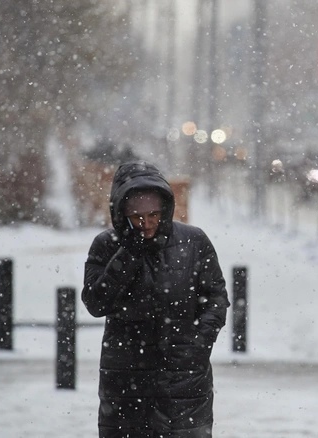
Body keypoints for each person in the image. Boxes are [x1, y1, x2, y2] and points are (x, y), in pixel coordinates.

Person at [82, 160, 230, 438]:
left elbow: (216, 298)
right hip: (125, 381)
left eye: (154, 215)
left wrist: (196, 347)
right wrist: (128, 254)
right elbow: (95, 303)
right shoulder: (106, 246)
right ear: (121, 213)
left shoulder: (193, 242)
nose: (147, 224)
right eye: (137, 217)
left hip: (184, 382)